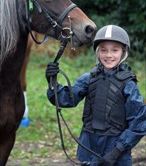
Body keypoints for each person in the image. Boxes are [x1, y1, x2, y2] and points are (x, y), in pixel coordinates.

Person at [45, 25, 146, 166]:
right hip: (88, 147)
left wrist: (116, 152)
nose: (109, 55)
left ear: (123, 52)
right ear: (97, 52)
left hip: (116, 149)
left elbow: (140, 122)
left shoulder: (128, 84)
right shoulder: (88, 78)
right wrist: (52, 82)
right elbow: (67, 99)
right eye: (103, 50)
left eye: (114, 50)